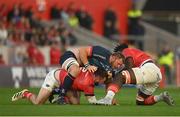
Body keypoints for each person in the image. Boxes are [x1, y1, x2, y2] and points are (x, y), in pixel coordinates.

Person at [96, 44, 175, 106]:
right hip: (155, 73)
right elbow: (129, 68)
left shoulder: (125, 51)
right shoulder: (133, 53)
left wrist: (114, 74)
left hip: (149, 69)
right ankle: (161, 97)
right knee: (141, 101)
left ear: (119, 52)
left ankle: (107, 99)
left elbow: (129, 67)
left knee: (120, 76)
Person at [58, 45, 125, 104]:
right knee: (75, 70)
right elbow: (82, 50)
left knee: (76, 102)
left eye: (120, 65)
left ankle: (55, 91)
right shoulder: (103, 52)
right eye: (118, 63)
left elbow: (108, 82)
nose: (118, 66)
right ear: (113, 58)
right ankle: (61, 96)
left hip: (79, 67)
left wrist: (109, 98)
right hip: (70, 56)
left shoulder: (110, 68)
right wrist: (87, 65)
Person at [11, 67, 108, 105]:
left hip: (66, 83)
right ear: (98, 77)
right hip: (54, 78)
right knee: (38, 103)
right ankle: (26, 93)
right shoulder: (88, 83)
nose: (101, 83)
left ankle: (57, 96)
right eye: (102, 81)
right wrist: (107, 101)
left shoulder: (90, 70)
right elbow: (92, 101)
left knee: (75, 103)